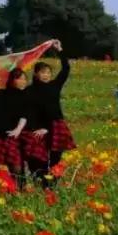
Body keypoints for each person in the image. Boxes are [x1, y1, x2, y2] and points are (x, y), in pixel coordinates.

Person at [28, 40, 75, 184]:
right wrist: (38, 128)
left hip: (56, 126)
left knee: (56, 159)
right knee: (39, 159)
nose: (46, 75)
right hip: (38, 128)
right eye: (43, 72)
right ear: (36, 74)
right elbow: (30, 112)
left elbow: (66, 69)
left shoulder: (55, 85)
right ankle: (41, 183)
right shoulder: (30, 90)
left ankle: (53, 184)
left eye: (48, 72)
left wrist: (60, 50)